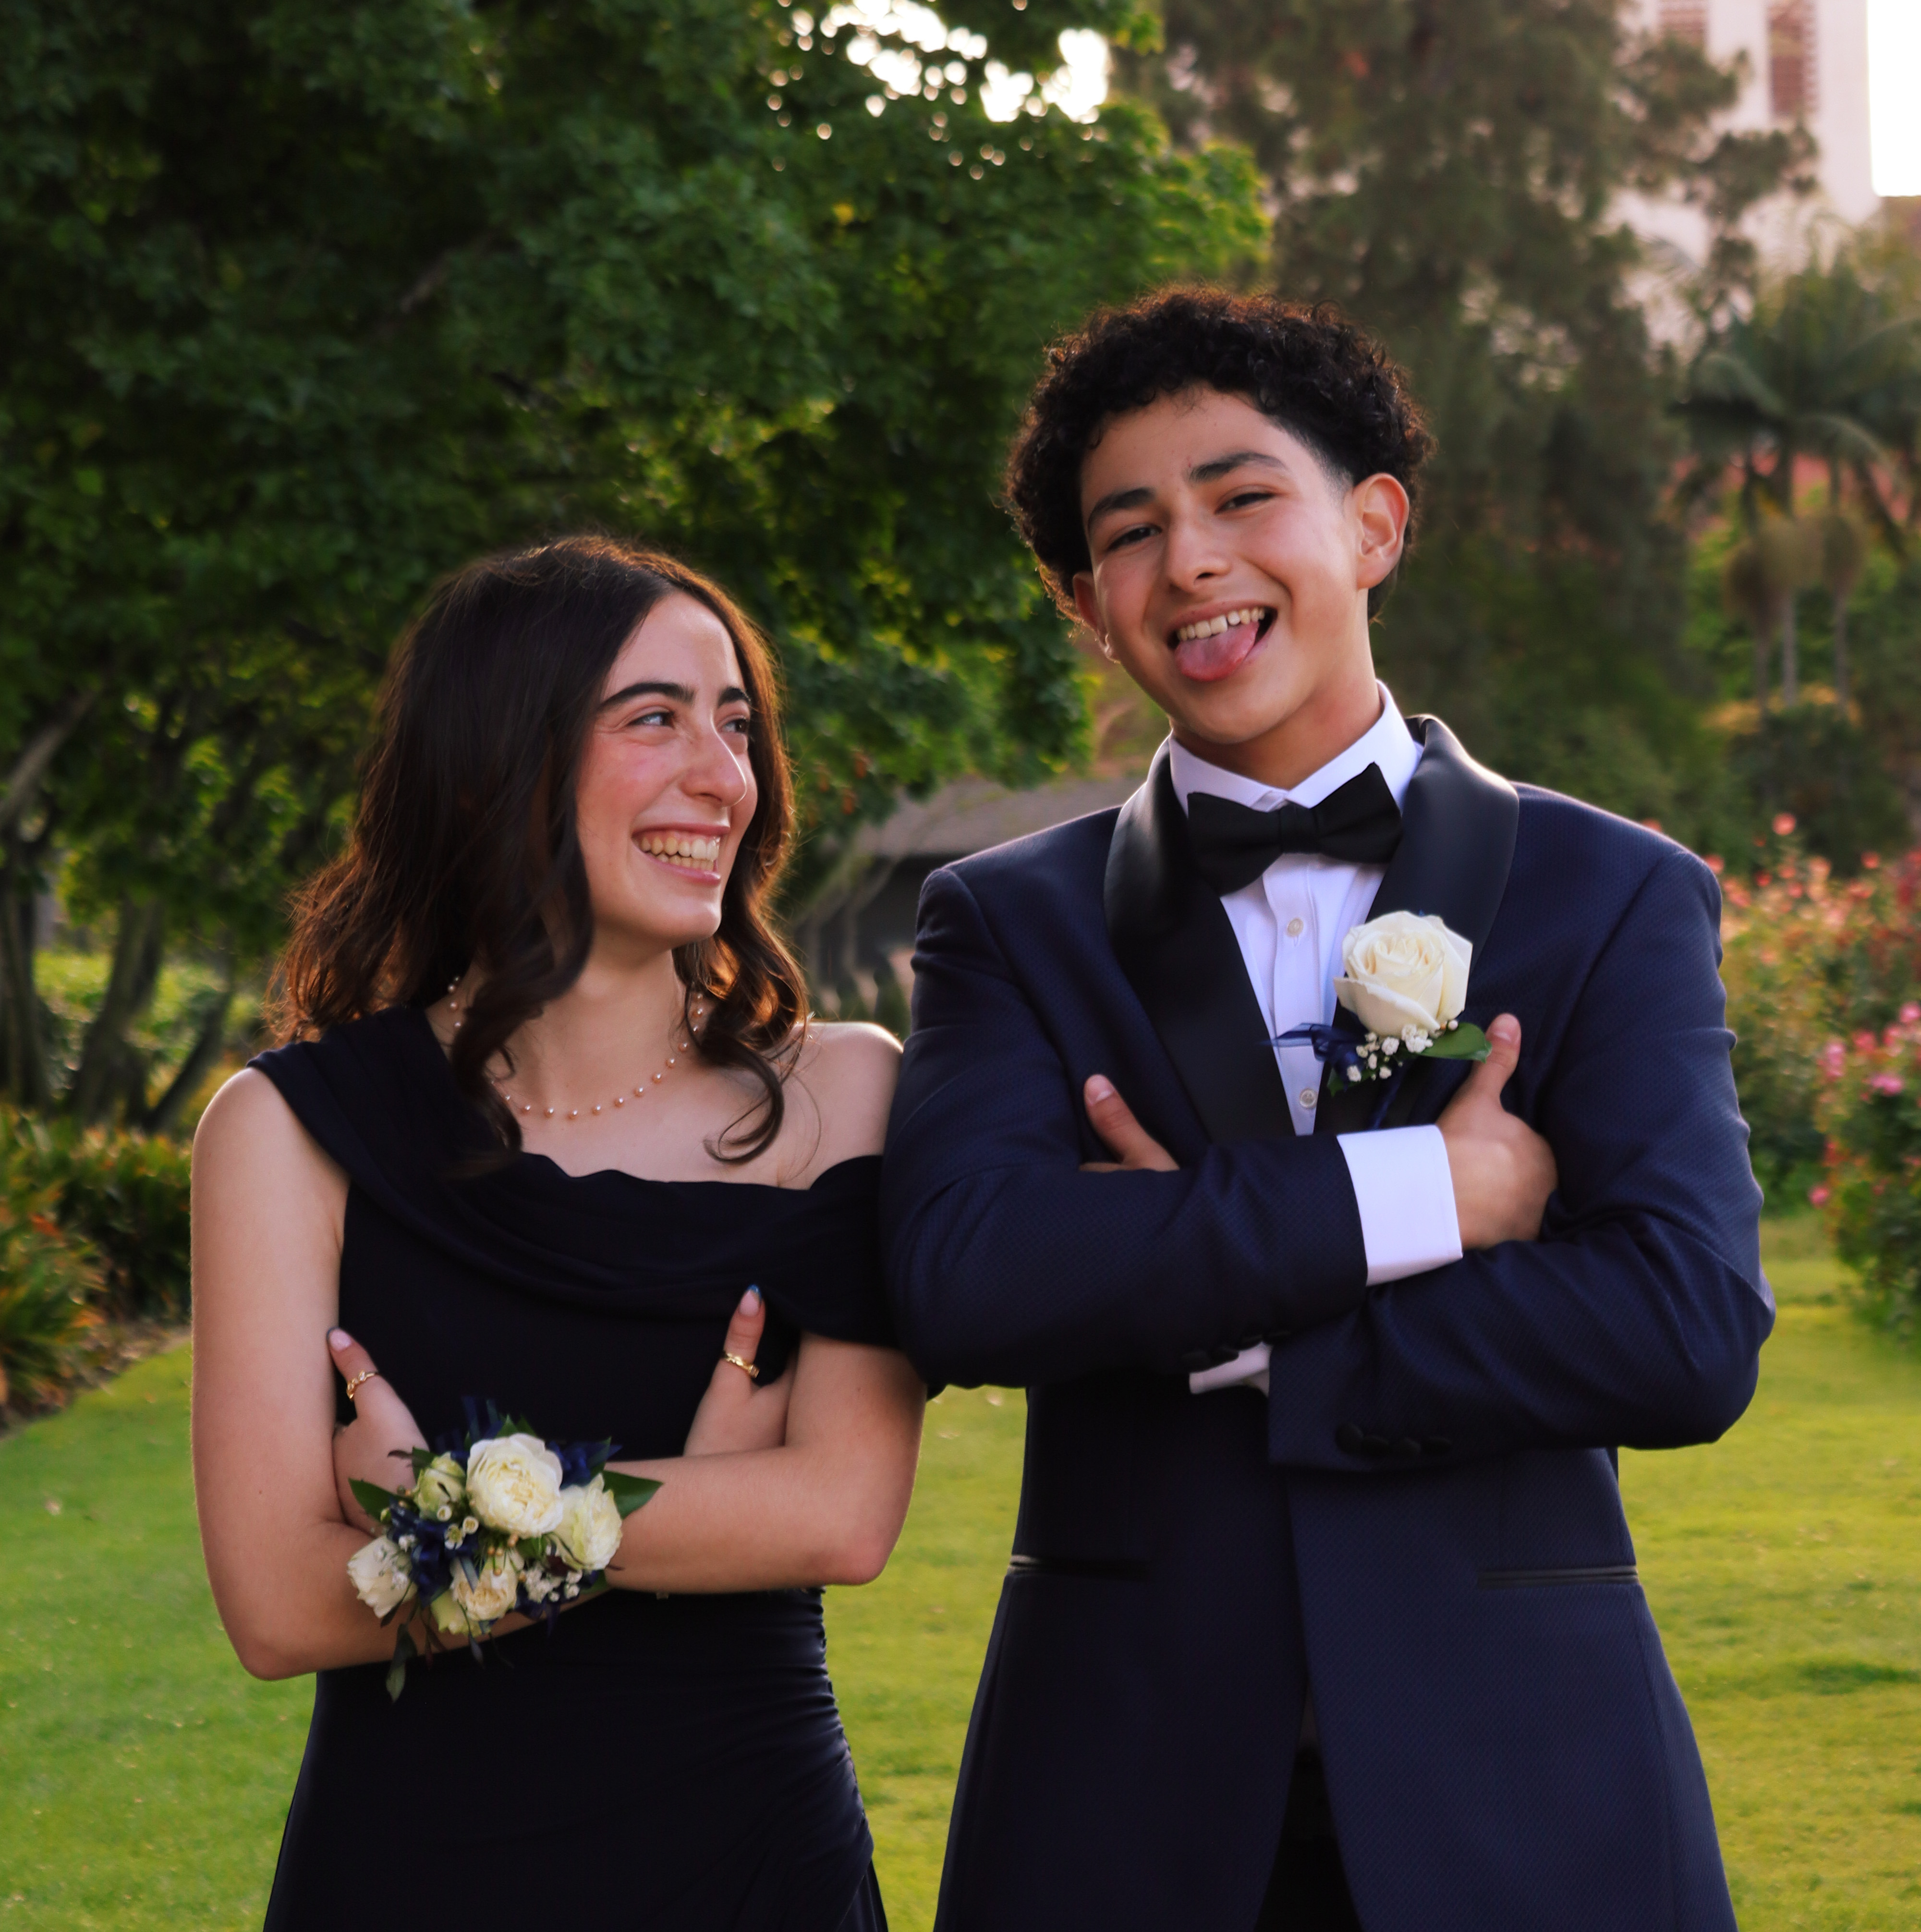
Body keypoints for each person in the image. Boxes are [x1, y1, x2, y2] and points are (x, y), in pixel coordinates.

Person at [881, 290, 1771, 1931]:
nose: (1191, 561)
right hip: (1123, 1806)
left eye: (1242, 498)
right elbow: (967, 1277)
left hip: (1529, 1796)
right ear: (1087, 605)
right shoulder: (1008, 923)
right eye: (1130, 533)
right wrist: (1428, 1196)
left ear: (1372, 527)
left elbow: (1686, 1326)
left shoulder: (1614, 892)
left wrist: (1225, 1316)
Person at [192, 536, 924, 1931]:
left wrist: (441, 1516)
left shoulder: (843, 1093)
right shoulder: (286, 1132)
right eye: (655, 718)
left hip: (751, 1863)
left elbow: (839, 1514)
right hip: (411, 1876)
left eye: (736, 725)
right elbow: (280, 1608)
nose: (726, 777)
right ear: (494, 765)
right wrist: (698, 1504)